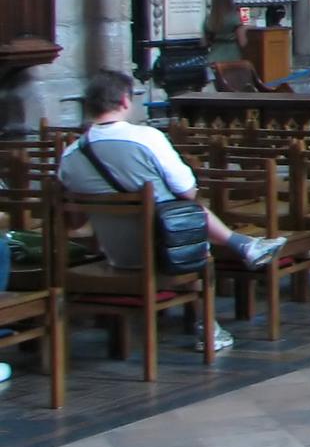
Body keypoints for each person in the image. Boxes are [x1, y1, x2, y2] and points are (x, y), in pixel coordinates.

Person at [58, 69, 287, 350]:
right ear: (125, 100)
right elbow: (188, 190)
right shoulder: (146, 138)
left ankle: (245, 247)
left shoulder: (70, 156)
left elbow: (75, 220)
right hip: (169, 253)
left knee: (178, 215)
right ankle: (209, 329)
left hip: (115, 256)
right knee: (187, 215)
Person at [202, 0, 248, 64]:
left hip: (213, 60)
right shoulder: (235, 18)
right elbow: (243, 43)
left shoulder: (209, 19)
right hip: (232, 59)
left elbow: (204, 43)